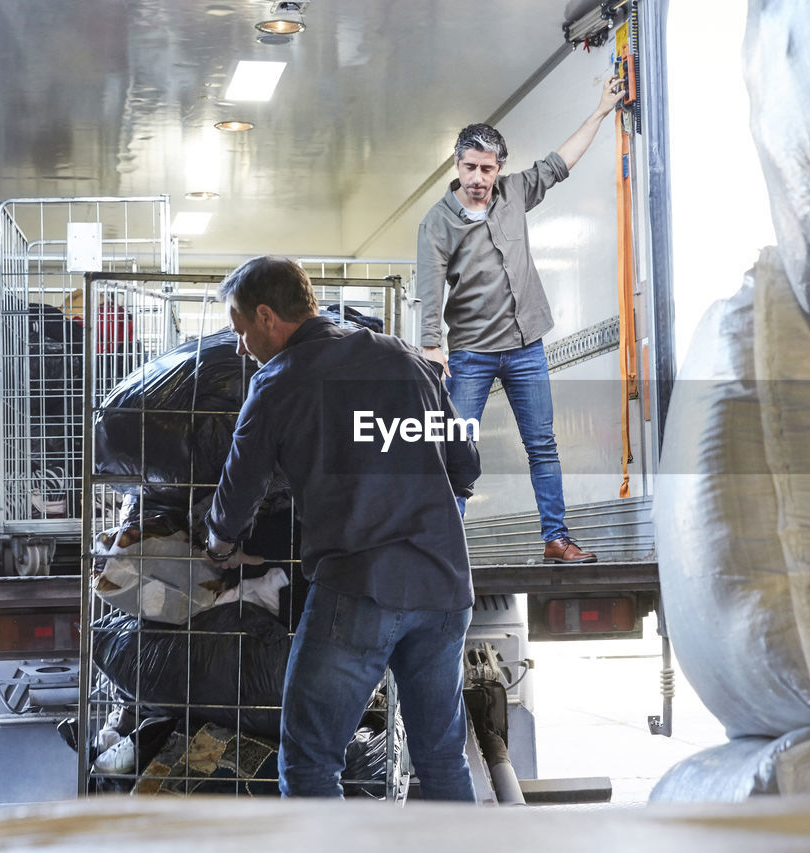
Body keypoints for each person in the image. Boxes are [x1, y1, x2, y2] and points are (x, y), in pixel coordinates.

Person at [203, 255, 481, 801]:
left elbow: (240, 488)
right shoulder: (403, 358)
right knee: (442, 757)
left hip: (359, 591)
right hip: (445, 588)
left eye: (240, 331)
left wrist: (220, 543)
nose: (240, 348)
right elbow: (465, 464)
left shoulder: (276, 383)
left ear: (266, 317)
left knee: (309, 763)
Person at [416, 77, 623, 565]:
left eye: (487, 169)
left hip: (527, 346)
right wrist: (430, 346)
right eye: (470, 167)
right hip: (470, 354)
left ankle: (556, 538)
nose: (478, 178)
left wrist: (599, 112)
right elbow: (429, 290)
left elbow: (559, 163)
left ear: (499, 168)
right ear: (456, 164)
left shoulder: (514, 193)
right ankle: (445, 550)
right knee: (456, 451)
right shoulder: (436, 223)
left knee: (542, 445)